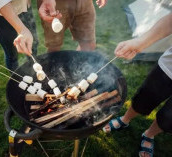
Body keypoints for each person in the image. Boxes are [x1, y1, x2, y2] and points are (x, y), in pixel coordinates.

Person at [102, 13, 172, 157]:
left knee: (170, 117)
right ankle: (125, 119)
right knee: (145, 98)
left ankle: (149, 134)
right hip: (170, 67)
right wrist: (140, 42)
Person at [0, 0, 39, 71]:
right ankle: (18, 79)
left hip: (23, 5)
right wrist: (22, 30)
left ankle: (34, 71)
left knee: (32, 45)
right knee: (11, 53)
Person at [37, 0, 108, 52]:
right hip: (56, 3)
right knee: (54, 47)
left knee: (88, 44)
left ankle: (78, 70)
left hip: (85, 2)